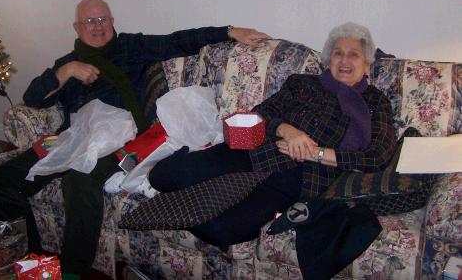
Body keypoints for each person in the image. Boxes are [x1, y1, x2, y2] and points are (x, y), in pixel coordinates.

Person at [0, 0, 270, 279]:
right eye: (89, 21)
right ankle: (31, 262)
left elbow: (177, 40)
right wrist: (68, 71)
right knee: (0, 183)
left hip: (124, 138)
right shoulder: (68, 62)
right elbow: (33, 97)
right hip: (72, 137)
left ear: (112, 22)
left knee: (80, 179)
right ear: (76, 27)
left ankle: (71, 272)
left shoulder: (130, 47)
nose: (97, 26)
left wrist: (230, 32)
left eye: (102, 19)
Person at [131, 21, 397, 252]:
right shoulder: (303, 83)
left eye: (354, 55)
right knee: (162, 175)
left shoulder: (376, 103)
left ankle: (203, 195)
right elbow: (262, 113)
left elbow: (378, 158)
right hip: (255, 151)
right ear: (329, 60)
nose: (345, 60)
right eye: (338, 53)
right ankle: (205, 179)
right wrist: (289, 131)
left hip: (300, 178)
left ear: (367, 63)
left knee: (221, 231)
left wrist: (314, 152)